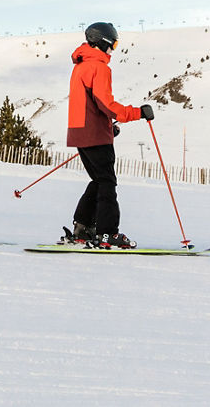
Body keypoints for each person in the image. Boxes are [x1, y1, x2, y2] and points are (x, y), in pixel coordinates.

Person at [66, 22, 154, 249]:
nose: (113, 50)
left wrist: (106, 125)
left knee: (99, 180)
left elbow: (90, 105)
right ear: (103, 42)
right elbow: (106, 104)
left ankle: (83, 228)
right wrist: (137, 113)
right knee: (107, 183)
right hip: (94, 134)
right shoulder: (98, 67)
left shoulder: (80, 66)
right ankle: (108, 233)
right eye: (113, 44)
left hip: (80, 132)